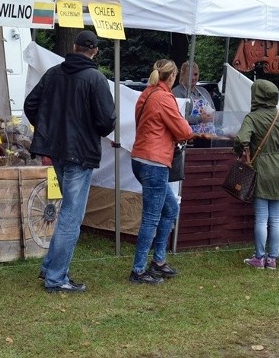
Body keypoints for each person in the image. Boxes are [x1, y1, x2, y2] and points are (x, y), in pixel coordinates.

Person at [24, 30, 116, 294]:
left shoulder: (54, 73)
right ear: (95, 51)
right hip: (80, 154)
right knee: (71, 217)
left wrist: (47, 131)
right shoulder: (96, 79)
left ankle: (50, 268)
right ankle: (55, 277)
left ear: (75, 47)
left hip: (59, 152)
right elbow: (107, 119)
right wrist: (91, 132)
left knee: (68, 213)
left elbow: (31, 104)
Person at [129, 59, 193, 284]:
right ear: (173, 76)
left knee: (170, 208)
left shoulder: (146, 93)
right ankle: (138, 270)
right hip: (154, 161)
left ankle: (158, 261)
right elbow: (184, 131)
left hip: (140, 157)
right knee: (151, 218)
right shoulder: (164, 97)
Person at [234, 79, 279, 270]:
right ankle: (273, 259)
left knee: (261, 217)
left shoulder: (252, 117)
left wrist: (241, 151)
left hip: (262, 167)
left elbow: (242, 139)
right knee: (276, 218)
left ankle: (259, 257)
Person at [172, 61, 216, 133]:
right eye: (189, 75)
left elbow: (214, 110)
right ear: (182, 75)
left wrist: (212, 116)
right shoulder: (177, 92)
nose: (193, 78)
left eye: (195, 74)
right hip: (190, 137)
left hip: (210, 136)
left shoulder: (203, 91)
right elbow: (178, 118)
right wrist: (200, 118)